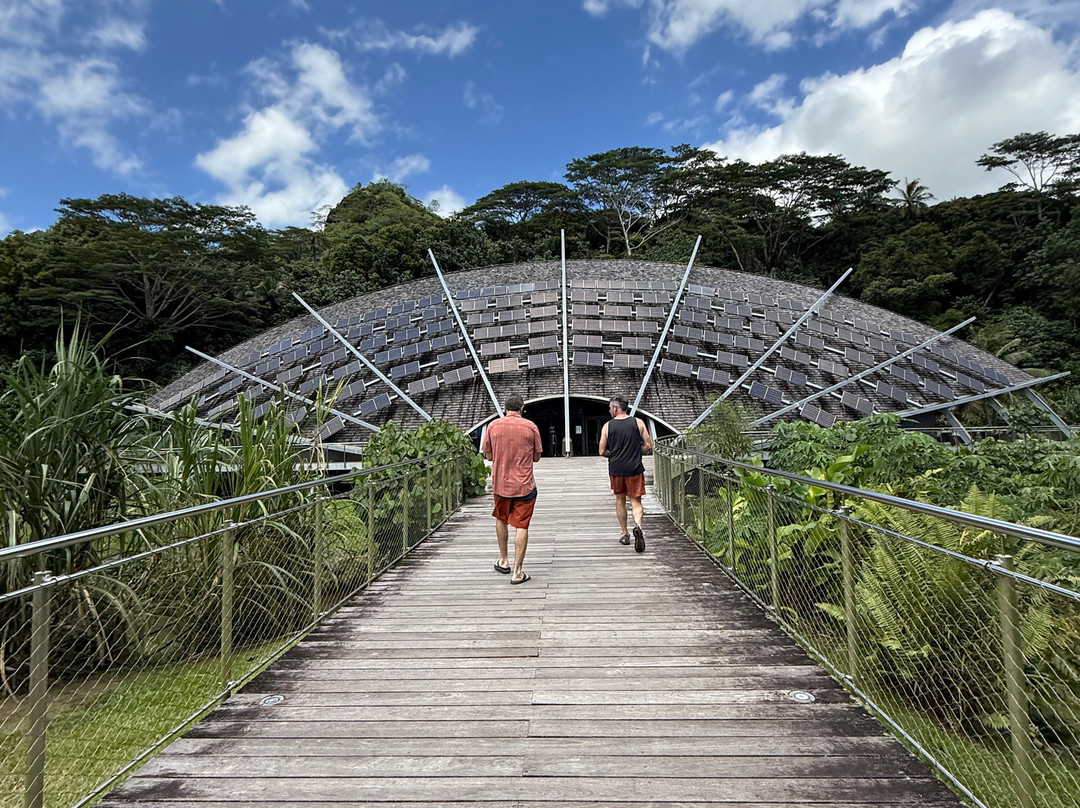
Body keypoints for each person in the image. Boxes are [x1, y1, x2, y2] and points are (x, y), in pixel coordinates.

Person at [480, 393, 542, 584]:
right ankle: (518, 572)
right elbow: (537, 457)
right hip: (524, 485)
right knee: (522, 526)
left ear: (505, 409)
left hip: (501, 485)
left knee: (501, 518)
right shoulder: (530, 427)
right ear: (522, 409)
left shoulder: (493, 426)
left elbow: (488, 456)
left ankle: (504, 560)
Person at [599, 395, 653, 553]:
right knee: (636, 501)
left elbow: (601, 450)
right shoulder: (638, 422)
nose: (609, 410)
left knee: (620, 500)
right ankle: (638, 526)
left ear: (615, 408)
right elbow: (648, 445)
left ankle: (625, 533)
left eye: (610, 408)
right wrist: (637, 452)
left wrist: (614, 454)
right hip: (635, 468)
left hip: (617, 469)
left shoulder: (608, 426)